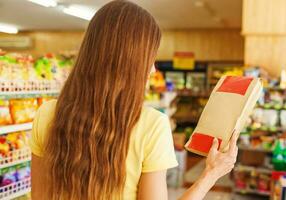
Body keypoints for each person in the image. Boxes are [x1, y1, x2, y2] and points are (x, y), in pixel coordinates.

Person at [29, 1, 238, 200]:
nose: (153, 69)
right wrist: (212, 172)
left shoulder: (47, 114)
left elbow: (38, 196)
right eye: (149, 59)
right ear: (129, 63)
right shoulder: (151, 125)